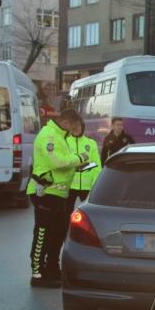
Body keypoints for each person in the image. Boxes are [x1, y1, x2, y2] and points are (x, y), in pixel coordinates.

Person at [27, 108, 89, 288]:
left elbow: (64, 162)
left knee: (57, 234)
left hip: (59, 194)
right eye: (74, 127)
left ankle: (52, 269)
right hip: (45, 193)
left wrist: (74, 165)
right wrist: (80, 158)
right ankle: (37, 274)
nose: (74, 131)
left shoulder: (60, 136)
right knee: (43, 234)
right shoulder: (50, 136)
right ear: (67, 122)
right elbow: (58, 162)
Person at [65, 120, 102, 227]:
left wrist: (95, 185)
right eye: (73, 126)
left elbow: (96, 165)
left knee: (89, 216)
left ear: (83, 127)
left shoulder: (91, 143)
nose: (76, 128)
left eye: (78, 126)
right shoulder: (65, 142)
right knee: (65, 215)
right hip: (69, 186)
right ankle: (66, 236)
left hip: (87, 186)